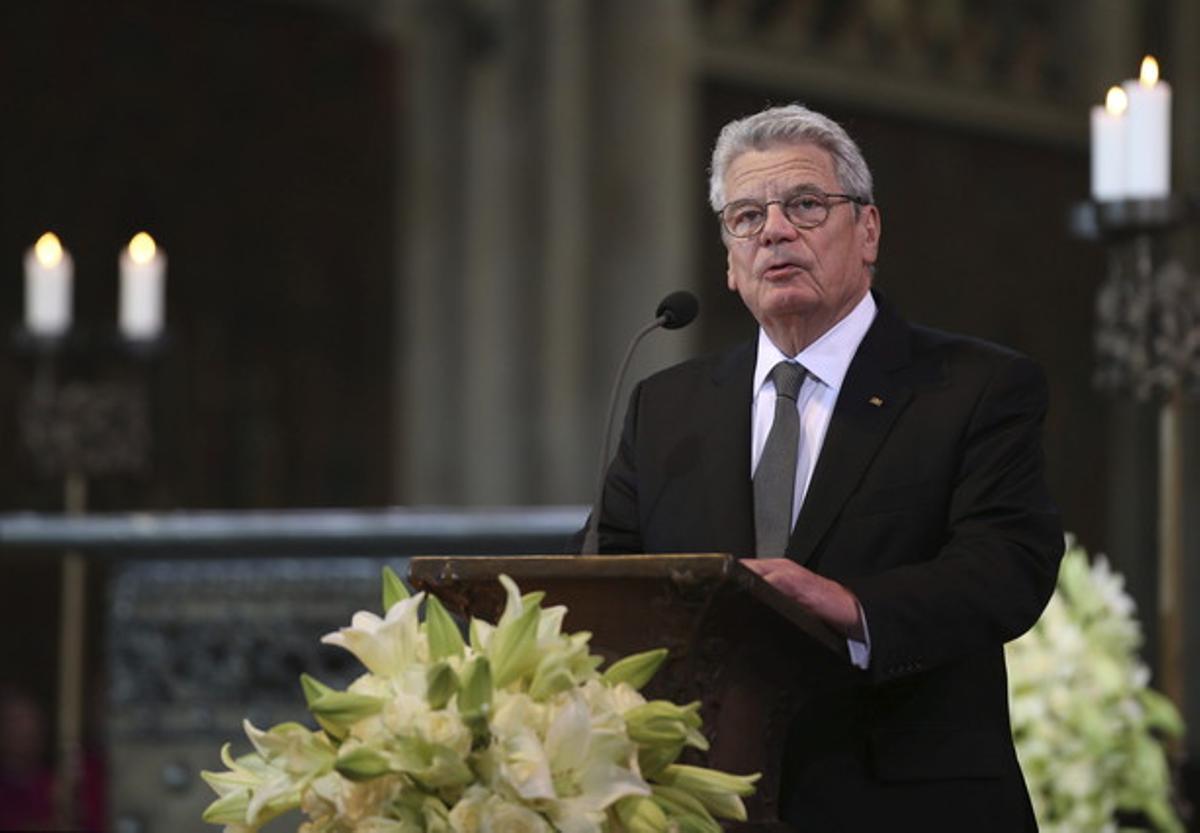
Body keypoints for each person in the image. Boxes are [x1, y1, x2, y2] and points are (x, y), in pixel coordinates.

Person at [592, 104, 1063, 831]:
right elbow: (602, 577)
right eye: (746, 216)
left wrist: (851, 603)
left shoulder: (974, 387)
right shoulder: (667, 408)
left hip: (908, 805)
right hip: (702, 804)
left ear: (867, 230)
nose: (774, 230)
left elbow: (1008, 567)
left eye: (805, 205)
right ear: (728, 258)